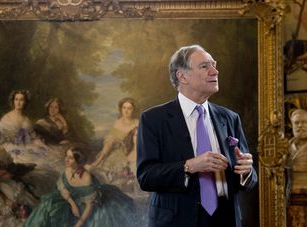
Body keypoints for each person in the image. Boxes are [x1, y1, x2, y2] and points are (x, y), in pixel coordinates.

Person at [136, 45, 257, 227]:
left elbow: (250, 177)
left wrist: (246, 171)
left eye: (214, 65)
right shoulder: (154, 119)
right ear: (182, 76)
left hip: (226, 219)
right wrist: (189, 166)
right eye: (204, 66)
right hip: (176, 220)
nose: (214, 71)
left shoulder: (230, 118)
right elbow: (146, 177)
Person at [25, 146, 138, 227]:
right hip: (70, 201)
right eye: (66, 156)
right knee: (46, 207)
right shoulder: (68, 169)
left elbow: (89, 205)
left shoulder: (86, 177)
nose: (66, 160)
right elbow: (62, 188)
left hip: (86, 206)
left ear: (78, 161)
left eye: (70, 158)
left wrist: (79, 224)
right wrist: (72, 203)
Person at [0, 90, 63, 171]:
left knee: (48, 158)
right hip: (10, 148)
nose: (18, 102)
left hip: (26, 146)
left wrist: (43, 146)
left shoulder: (26, 120)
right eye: (16, 99)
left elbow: (33, 137)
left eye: (21, 100)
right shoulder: (7, 118)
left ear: (25, 102)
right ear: (13, 101)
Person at [91, 97, 139, 171]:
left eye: (129, 108)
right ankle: (99, 160)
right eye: (124, 108)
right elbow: (110, 140)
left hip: (135, 151)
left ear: (133, 110)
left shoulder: (137, 123)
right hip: (119, 153)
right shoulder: (117, 123)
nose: (126, 111)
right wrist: (101, 157)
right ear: (121, 109)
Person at [288, 109, 307, 192]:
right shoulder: (285, 147)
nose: (300, 126)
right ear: (292, 126)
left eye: (303, 122)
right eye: (296, 123)